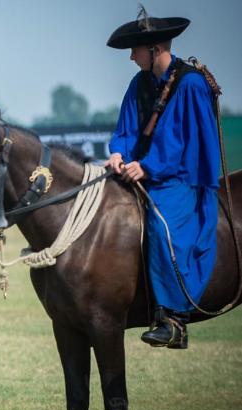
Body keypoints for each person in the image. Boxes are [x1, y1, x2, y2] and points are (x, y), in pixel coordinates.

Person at [104, 11, 220, 349]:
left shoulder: (191, 84)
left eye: (135, 50)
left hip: (182, 177)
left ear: (155, 48)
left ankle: (173, 320)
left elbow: (184, 141)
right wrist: (118, 153)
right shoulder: (138, 83)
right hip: (144, 169)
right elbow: (125, 127)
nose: (131, 56)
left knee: (159, 225)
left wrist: (148, 167)